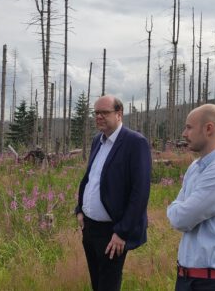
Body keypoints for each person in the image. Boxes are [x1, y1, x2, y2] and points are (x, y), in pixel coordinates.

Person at [75, 95, 152, 291]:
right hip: (90, 228)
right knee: (97, 282)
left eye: (104, 112)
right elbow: (90, 178)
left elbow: (140, 192)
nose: (99, 116)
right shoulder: (97, 141)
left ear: (119, 114)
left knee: (108, 285)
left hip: (113, 232)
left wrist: (122, 232)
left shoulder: (135, 142)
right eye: (96, 113)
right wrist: (79, 210)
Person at [167, 104, 215, 291]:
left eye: (189, 127)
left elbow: (181, 219)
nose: (184, 133)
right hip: (188, 278)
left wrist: (176, 209)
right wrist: (177, 209)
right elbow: (179, 210)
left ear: (209, 128)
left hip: (212, 282)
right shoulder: (196, 167)